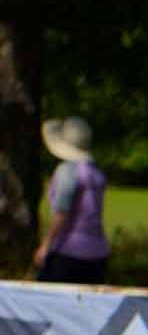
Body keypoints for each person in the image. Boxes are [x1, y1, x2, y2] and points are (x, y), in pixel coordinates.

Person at [31, 116, 110, 284]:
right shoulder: (96, 173)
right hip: (98, 253)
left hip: (68, 252)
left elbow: (61, 212)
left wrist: (45, 246)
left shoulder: (67, 171)